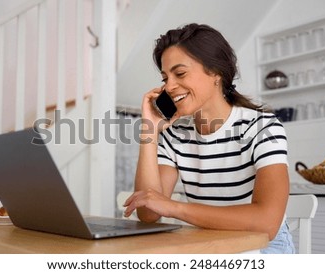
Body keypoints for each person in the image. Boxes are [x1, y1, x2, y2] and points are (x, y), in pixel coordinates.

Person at [123, 23, 294, 254]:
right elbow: (149, 212)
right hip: (206, 243)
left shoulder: (262, 127)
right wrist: (150, 131)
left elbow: (267, 222)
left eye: (180, 73)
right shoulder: (175, 135)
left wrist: (175, 208)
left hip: (262, 245)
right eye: (165, 78)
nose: (169, 86)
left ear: (215, 73)